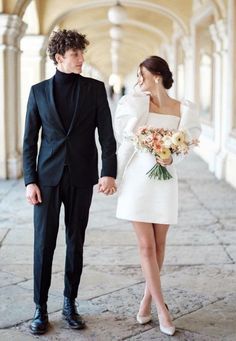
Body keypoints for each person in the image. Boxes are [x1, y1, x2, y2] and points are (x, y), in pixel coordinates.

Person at [23, 29, 117, 335]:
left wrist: (108, 171)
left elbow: (106, 135)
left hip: (81, 177)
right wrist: (29, 180)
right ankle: (40, 308)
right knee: (43, 245)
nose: (81, 59)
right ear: (59, 58)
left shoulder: (94, 89)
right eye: (75, 54)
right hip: (47, 180)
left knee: (75, 242)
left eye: (81, 53)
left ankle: (69, 304)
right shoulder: (37, 92)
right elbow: (29, 141)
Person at [114, 56, 201, 336]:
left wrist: (172, 160)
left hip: (165, 182)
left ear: (157, 75)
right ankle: (163, 309)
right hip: (138, 181)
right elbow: (126, 147)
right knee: (146, 247)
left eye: (142, 75)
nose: (139, 81)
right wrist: (112, 177)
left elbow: (185, 147)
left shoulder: (183, 109)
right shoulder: (137, 105)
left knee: (160, 245)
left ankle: (146, 300)